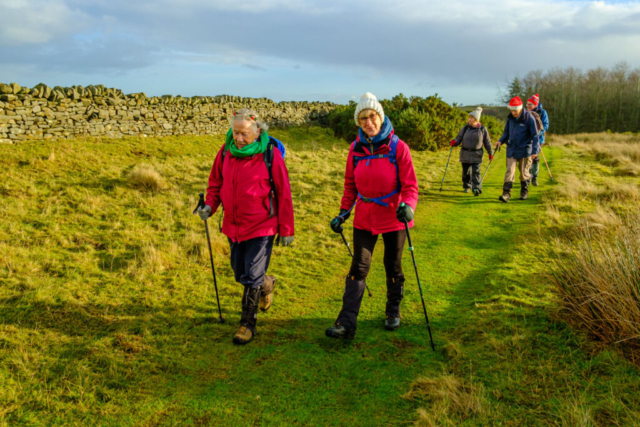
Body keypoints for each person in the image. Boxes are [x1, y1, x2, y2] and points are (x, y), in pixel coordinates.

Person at [325, 92, 419, 339]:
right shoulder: (355, 149)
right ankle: (346, 324)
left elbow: (410, 186)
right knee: (359, 266)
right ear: (359, 123)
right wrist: (343, 214)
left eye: (372, 116)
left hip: (394, 217)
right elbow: (350, 186)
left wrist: (408, 206)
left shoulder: (398, 147)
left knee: (393, 265)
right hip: (365, 218)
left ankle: (393, 311)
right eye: (363, 119)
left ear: (381, 116)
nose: (369, 122)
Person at [197, 108, 294, 345]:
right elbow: (214, 184)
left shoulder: (270, 154)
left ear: (257, 131)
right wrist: (209, 206)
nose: (239, 139)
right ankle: (267, 283)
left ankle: (247, 325)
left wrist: (287, 229)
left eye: (244, 134)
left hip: (262, 226)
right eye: (235, 133)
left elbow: (283, 192)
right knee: (240, 273)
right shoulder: (225, 152)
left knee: (251, 276)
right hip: (233, 225)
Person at [495, 96, 540, 202]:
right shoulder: (510, 118)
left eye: (515, 110)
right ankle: (506, 194)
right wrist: (500, 141)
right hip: (512, 149)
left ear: (520, 108)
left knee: (524, 173)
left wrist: (535, 151)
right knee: (509, 171)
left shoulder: (529, 117)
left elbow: (535, 135)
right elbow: (506, 132)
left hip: (525, 150)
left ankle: (524, 191)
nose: (514, 112)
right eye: (512, 110)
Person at [450, 107, 494, 196]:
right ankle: (467, 186)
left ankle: (476, 188)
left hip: (477, 154)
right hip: (465, 153)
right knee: (466, 172)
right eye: (469, 117)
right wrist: (455, 142)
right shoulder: (465, 128)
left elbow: (487, 142)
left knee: (476, 172)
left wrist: (490, 153)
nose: (469, 119)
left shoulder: (482, 129)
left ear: (476, 119)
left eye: (471, 117)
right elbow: (459, 138)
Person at [525, 94, 549, 186]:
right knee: (527, 157)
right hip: (527, 139)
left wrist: (537, 132)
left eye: (530, 104)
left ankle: (534, 177)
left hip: (539, 139)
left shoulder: (542, 113)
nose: (528, 106)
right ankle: (527, 176)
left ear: (535, 104)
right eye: (527, 104)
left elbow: (546, 125)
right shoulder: (526, 113)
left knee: (535, 157)